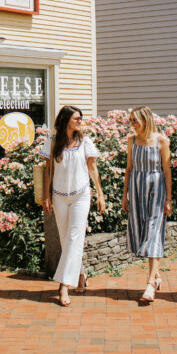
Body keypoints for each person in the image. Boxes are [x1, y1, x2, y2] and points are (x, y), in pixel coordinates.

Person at [42, 105, 105, 306]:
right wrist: (46, 196)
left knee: (74, 237)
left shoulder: (85, 142)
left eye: (80, 118)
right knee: (66, 239)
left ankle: (63, 286)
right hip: (59, 196)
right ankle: (80, 275)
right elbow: (48, 170)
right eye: (76, 118)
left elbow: (93, 169)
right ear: (66, 120)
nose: (80, 121)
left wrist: (100, 194)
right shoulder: (52, 142)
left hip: (81, 195)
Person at [121, 105, 172, 303]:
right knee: (143, 231)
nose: (133, 124)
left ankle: (150, 283)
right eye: (131, 120)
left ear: (146, 120)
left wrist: (169, 199)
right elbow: (128, 168)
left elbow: (167, 170)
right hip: (136, 188)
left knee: (153, 232)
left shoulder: (161, 140)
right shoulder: (131, 141)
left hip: (157, 189)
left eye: (135, 120)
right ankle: (157, 276)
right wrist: (125, 195)